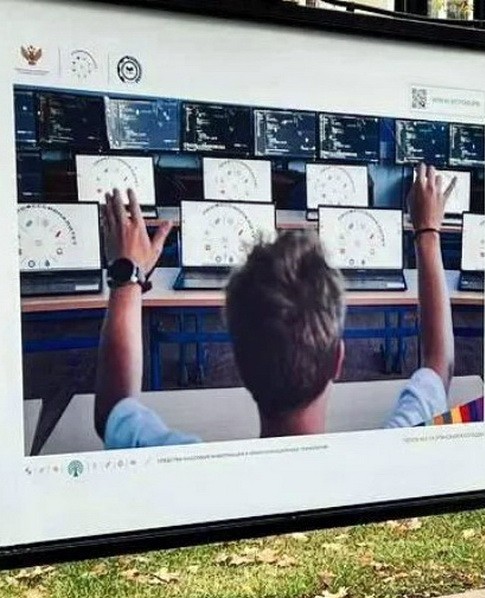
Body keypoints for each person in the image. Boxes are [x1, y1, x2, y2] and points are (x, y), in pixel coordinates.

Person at [93, 163, 456, 447]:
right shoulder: (392, 452)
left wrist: (127, 278)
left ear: (238, 364)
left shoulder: (190, 473)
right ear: (339, 360)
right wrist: (428, 232)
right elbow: (439, 364)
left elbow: (112, 410)